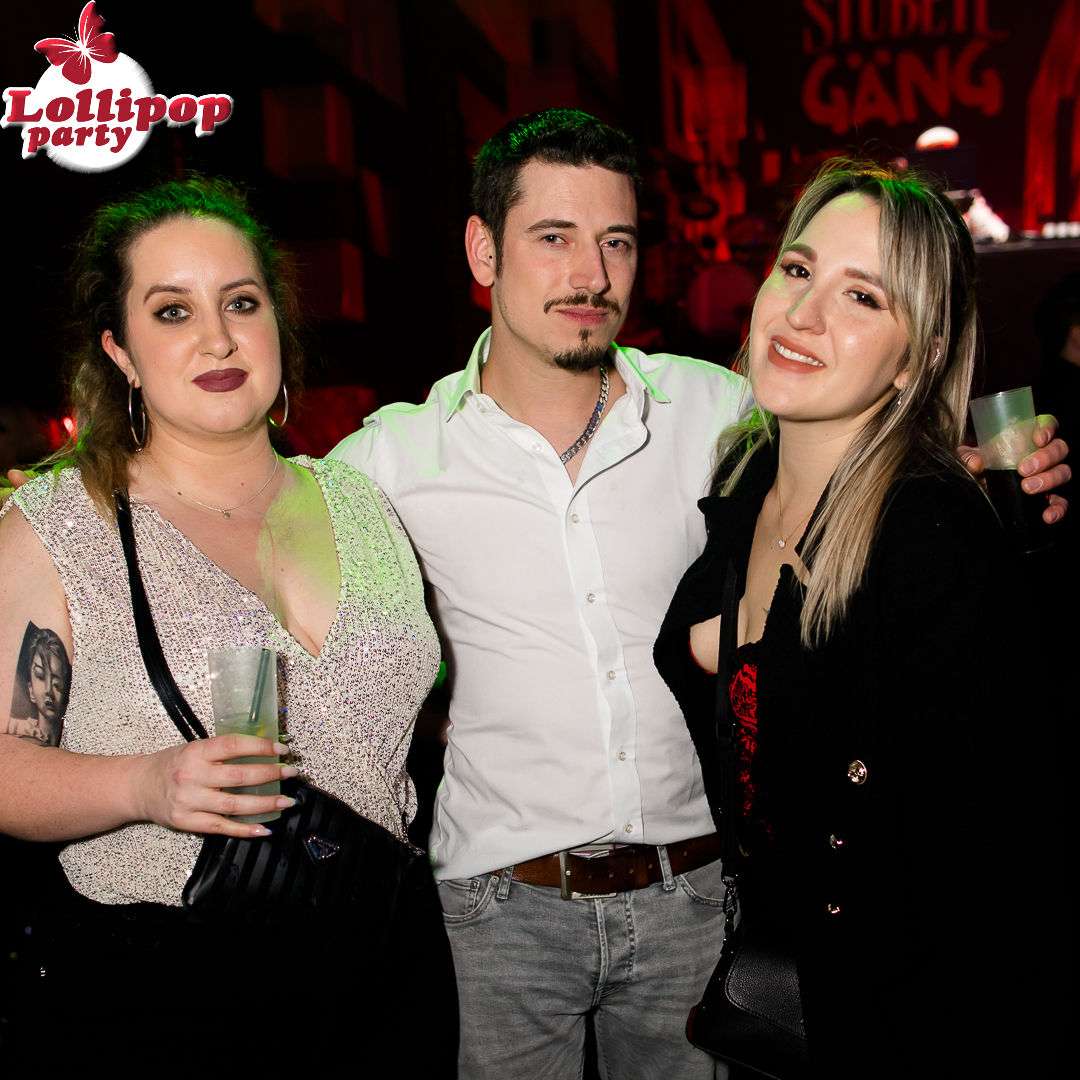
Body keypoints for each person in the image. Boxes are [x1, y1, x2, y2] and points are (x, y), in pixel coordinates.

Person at [330, 109, 1070, 1078]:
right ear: (483, 249)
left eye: (616, 241)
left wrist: (962, 480)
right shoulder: (389, 460)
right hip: (500, 910)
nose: (590, 274)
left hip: (704, 901)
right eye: (552, 238)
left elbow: (867, 463)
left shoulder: (719, 413)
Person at [0, 177, 455, 1071]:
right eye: (172, 311)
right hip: (165, 987)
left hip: (384, 958)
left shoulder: (359, 501)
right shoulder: (57, 526)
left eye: (241, 302)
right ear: (120, 351)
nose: (217, 338)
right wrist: (145, 784)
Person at [654, 159, 1053, 1075]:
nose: (804, 313)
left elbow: (997, 872)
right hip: (780, 998)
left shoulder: (931, 537)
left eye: (862, 296)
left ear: (916, 358)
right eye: (798, 270)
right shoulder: (745, 478)